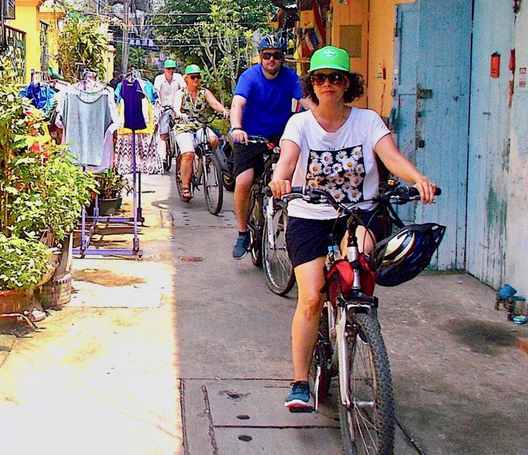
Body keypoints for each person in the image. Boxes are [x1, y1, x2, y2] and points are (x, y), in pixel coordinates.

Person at [267, 46, 437, 412]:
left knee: (356, 275)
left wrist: (418, 179)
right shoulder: (300, 123)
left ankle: (352, 324)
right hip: (308, 216)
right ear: (312, 84)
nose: (328, 84)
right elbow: (287, 160)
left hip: (358, 215)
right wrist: (281, 180)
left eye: (336, 78)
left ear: (348, 84)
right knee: (311, 297)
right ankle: (299, 382)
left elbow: (391, 157)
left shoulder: (368, 121)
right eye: (320, 78)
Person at [229, 33, 303, 259]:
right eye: (267, 55)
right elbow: (237, 103)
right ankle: (242, 232)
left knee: (296, 177)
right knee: (243, 181)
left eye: (277, 56)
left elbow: (307, 102)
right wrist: (236, 127)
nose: (272, 60)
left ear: (283, 58)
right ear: (260, 57)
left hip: (281, 134)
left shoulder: (291, 77)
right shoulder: (249, 77)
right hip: (250, 135)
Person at [173, 64, 228, 201]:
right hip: (183, 126)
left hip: (200, 125)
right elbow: (176, 107)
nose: (196, 80)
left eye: (198, 77)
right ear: (186, 79)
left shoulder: (204, 92)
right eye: (193, 77)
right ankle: (185, 186)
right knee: (188, 153)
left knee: (213, 139)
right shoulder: (181, 93)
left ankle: (207, 160)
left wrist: (223, 111)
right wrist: (179, 113)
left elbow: (214, 103)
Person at [154, 59, 186, 149]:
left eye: (172, 69)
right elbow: (156, 91)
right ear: (164, 69)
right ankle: (163, 153)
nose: (171, 71)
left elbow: (184, 89)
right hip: (164, 108)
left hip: (177, 107)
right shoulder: (159, 79)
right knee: (163, 133)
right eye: (168, 69)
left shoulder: (178, 77)